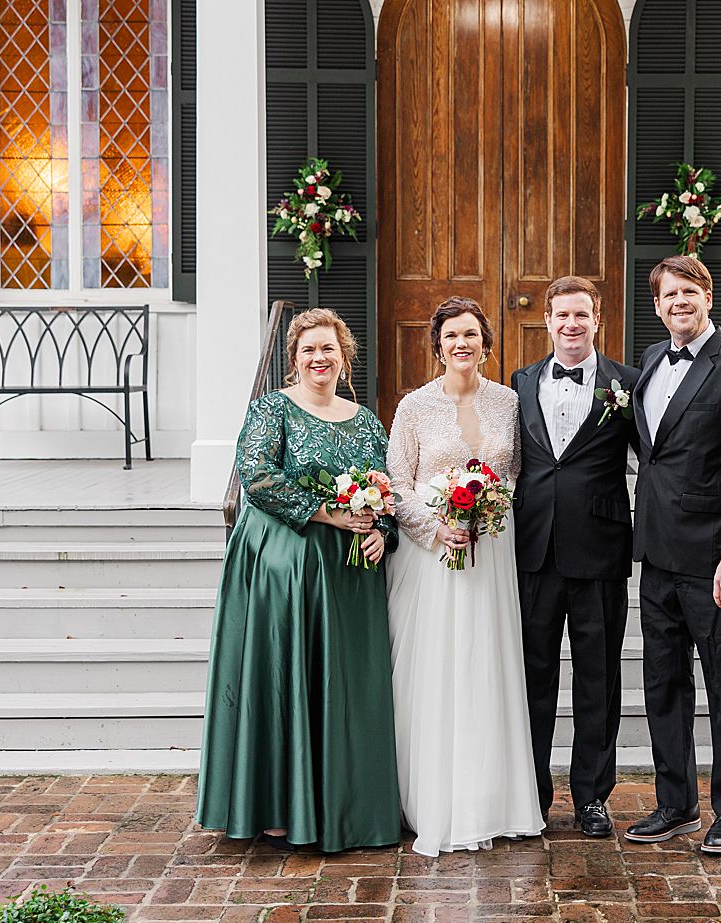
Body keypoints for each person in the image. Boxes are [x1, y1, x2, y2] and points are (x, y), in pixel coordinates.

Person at [197, 307, 401, 852]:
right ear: (293, 358)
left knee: (344, 687)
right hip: (283, 562)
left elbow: (386, 488)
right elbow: (257, 476)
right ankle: (278, 805)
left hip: (347, 574)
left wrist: (382, 532)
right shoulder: (273, 409)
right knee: (285, 679)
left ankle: (342, 808)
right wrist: (329, 514)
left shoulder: (365, 421)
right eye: (308, 349)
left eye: (328, 348)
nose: (319, 358)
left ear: (344, 355)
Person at [625, 255, 721, 855]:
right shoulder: (649, 360)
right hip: (657, 555)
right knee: (663, 684)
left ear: (708, 297)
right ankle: (676, 802)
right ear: (657, 305)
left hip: (715, 560)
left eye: (689, 292)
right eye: (668, 295)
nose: (679, 303)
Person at [384, 297, 542, 855]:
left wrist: (488, 510)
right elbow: (397, 482)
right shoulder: (414, 407)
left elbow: (516, 471)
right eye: (451, 335)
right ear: (437, 345)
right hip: (432, 556)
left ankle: (490, 800)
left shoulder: (508, 402)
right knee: (438, 669)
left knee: (486, 666)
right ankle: (433, 800)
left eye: (471, 334)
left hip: (491, 552)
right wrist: (436, 526)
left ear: (486, 343)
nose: (461, 344)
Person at [510, 276, 640, 838]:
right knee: (532, 678)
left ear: (597, 320)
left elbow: (656, 458)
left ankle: (591, 796)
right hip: (533, 551)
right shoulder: (519, 382)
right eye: (561, 315)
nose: (571, 324)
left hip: (600, 552)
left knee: (598, 680)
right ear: (547, 321)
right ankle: (532, 794)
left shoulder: (626, 384)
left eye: (581, 314)